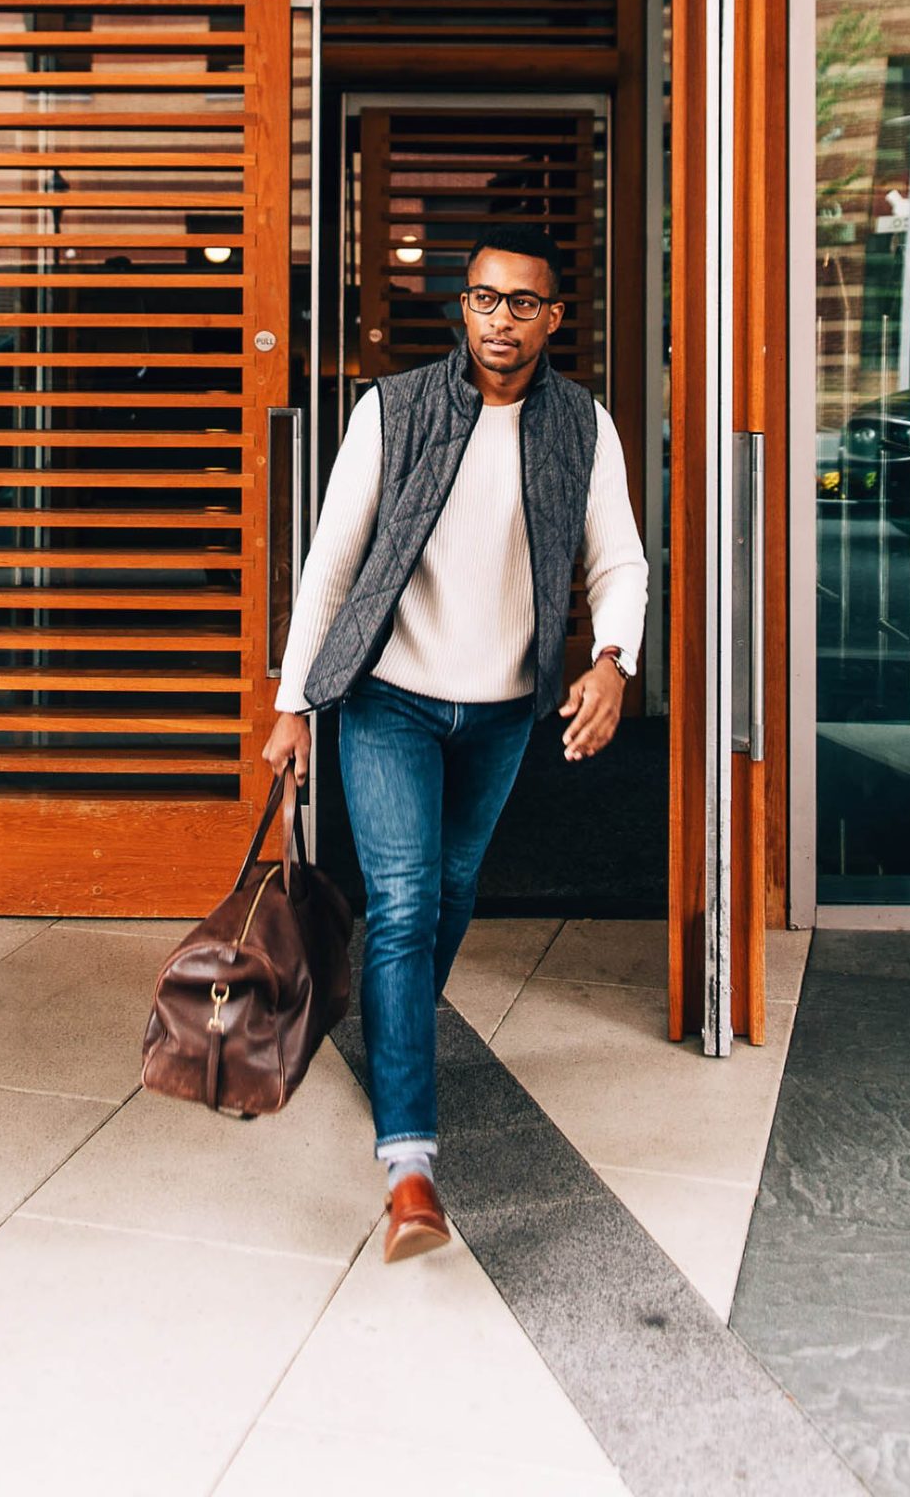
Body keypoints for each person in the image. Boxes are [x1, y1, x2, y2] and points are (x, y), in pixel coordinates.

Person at [262, 222, 648, 1263]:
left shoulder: (582, 426)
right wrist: (295, 703)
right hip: (390, 699)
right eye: (484, 298)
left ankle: (396, 1032)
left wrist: (613, 660)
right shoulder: (394, 410)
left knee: (454, 886)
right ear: (462, 307)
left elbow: (618, 560)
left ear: (552, 317)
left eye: (523, 303)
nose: (500, 320)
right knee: (403, 903)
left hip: (502, 709)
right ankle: (410, 1169)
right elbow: (332, 563)